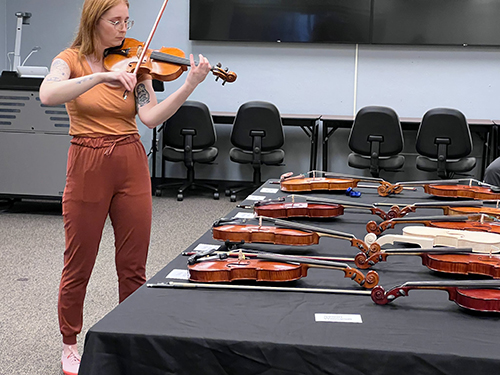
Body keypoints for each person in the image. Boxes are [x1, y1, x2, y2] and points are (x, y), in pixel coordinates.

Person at [39, 0, 211, 374]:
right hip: (86, 161)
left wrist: (188, 86)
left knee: (133, 264)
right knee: (78, 263)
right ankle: (70, 344)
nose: (123, 28)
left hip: (130, 160)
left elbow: (149, 116)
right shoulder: (68, 60)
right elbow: (48, 94)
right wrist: (103, 77)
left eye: (127, 21)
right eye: (115, 21)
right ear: (93, 21)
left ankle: (130, 339)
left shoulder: (138, 64)